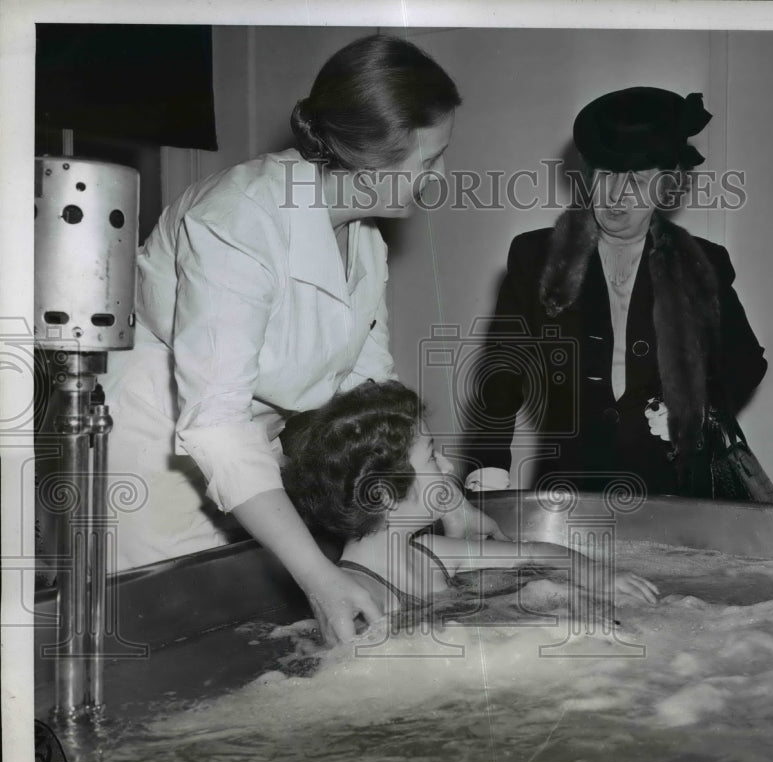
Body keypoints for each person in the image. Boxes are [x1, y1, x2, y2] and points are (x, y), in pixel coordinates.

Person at [99, 34, 495, 645]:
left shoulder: (362, 234)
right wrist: (317, 574)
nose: (438, 178)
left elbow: (372, 390)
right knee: (173, 635)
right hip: (159, 451)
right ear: (369, 163)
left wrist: (451, 501)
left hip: (258, 446)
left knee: (258, 633)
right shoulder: (237, 220)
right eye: (429, 160)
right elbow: (216, 424)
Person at [464, 86, 768, 498]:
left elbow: (746, 364)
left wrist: (696, 411)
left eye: (637, 179)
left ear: (665, 185)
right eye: (606, 174)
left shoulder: (702, 264)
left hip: (675, 494)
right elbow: (500, 379)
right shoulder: (536, 257)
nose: (616, 194)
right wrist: (488, 474)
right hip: (568, 492)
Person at [282, 380, 659, 612]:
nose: (447, 467)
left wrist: (594, 573)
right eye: (431, 456)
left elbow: (535, 551)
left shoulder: (430, 553)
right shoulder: (360, 595)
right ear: (383, 495)